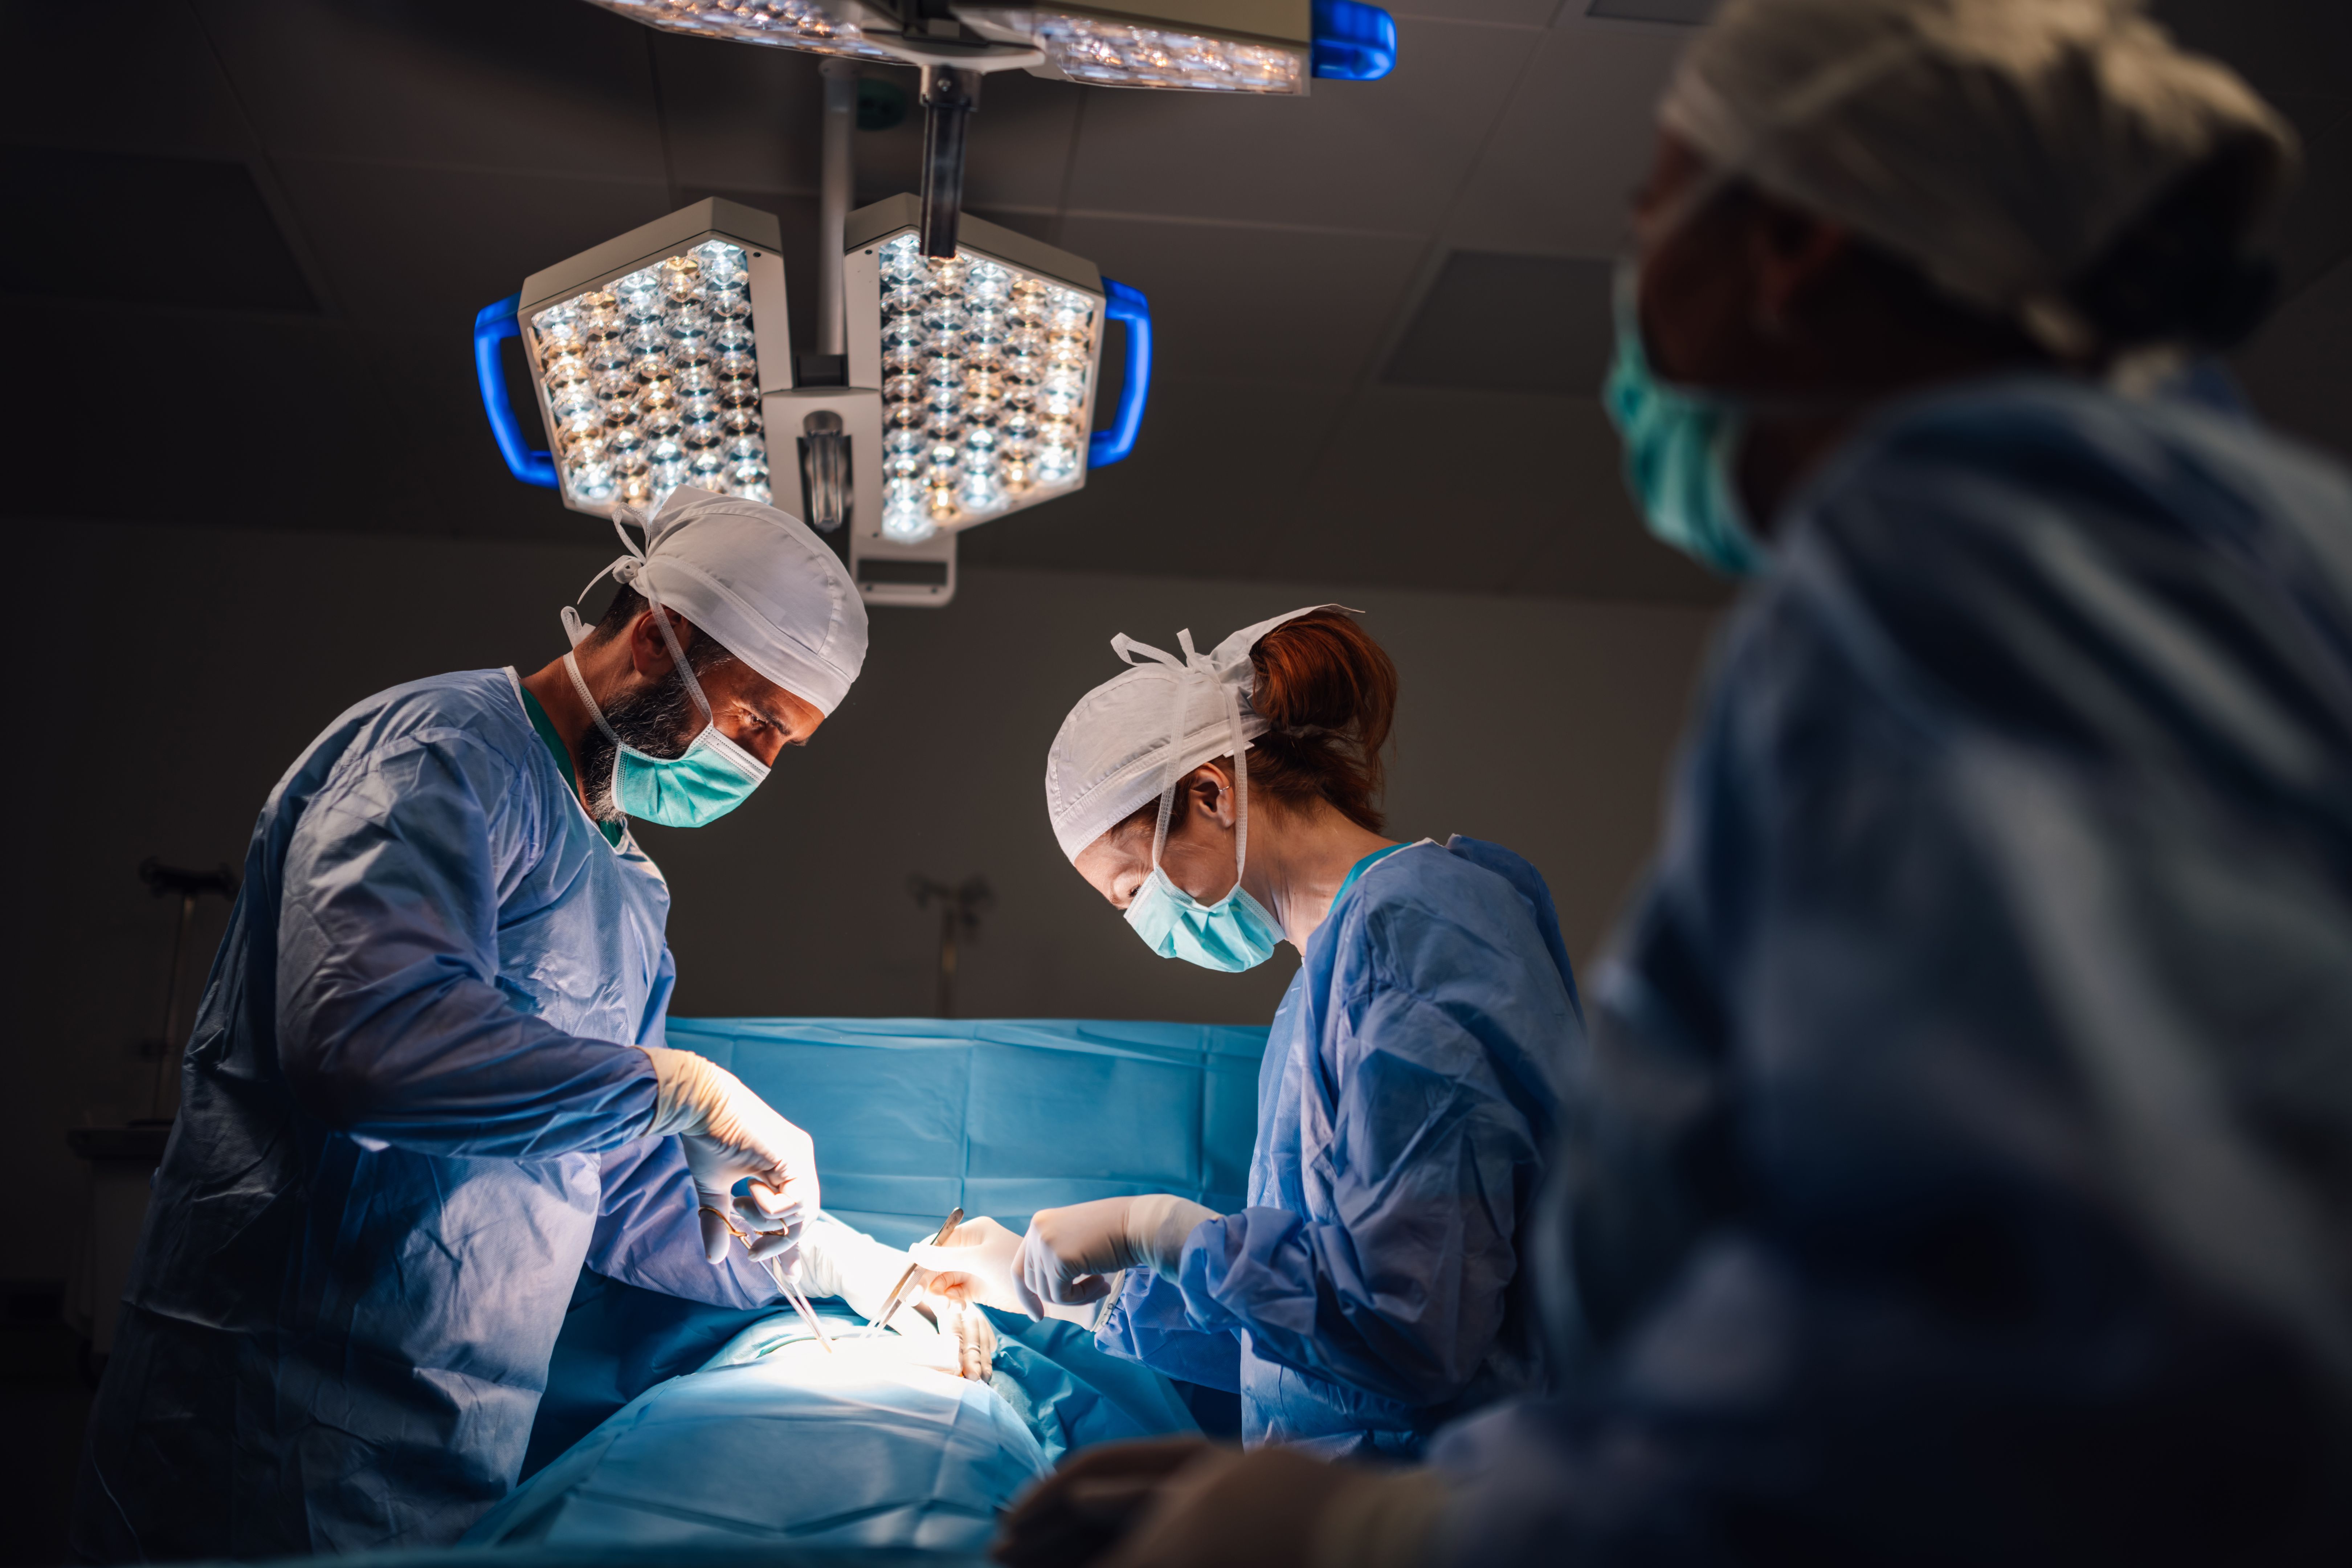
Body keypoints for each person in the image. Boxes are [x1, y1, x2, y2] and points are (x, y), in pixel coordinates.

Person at [992, 1, 2352, 1564]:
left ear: (1795, 250)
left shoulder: (1956, 584)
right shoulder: (2219, 543)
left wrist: (1386, 1532)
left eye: (1653, 227)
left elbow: (1972, 1337)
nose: (1630, 297)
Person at [74, 487, 903, 1559]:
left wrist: (842, 1264)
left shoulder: (629, 886)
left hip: (450, 1441)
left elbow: (613, 1183)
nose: (760, 766)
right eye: (754, 724)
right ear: (655, 638)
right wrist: (675, 1087)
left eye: (786, 743)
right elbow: (363, 1041)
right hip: (265, 1416)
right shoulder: (438, 756)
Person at [959, 605, 1585, 1462]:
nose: (1143, 921)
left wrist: (1162, 1230)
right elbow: (1309, 1339)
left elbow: (1412, 1330)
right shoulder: (1331, 975)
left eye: (1131, 888)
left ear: (1213, 795)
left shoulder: (1415, 938)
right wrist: (1101, 1299)